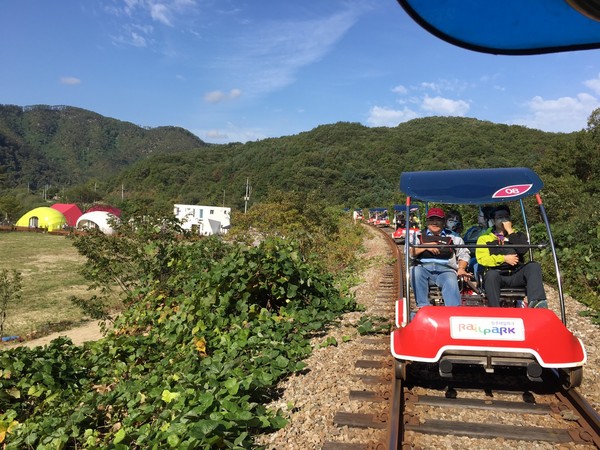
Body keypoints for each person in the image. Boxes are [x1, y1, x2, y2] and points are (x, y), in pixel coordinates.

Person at [475, 205, 547, 308]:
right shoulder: (484, 239)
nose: (503, 219)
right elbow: (482, 259)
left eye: (506, 216)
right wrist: (504, 259)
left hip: (515, 274)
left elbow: (523, 249)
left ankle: (537, 303)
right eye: (500, 217)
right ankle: (495, 310)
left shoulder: (517, 235)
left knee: (533, 266)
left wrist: (510, 232)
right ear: (493, 221)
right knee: (491, 275)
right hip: (497, 275)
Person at [410, 207, 471, 308]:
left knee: (451, 279)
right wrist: (426, 246)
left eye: (438, 220)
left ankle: (453, 310)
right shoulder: (417, 235)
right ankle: (423, 307)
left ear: (443, 222)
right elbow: (410, 253)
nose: (434, 223)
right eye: (431, 220)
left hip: (446, 270)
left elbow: (464, 253)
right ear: (427, 221)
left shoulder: (454, 237)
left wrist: (461, 268)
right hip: (423, 268)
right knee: (415, 272)